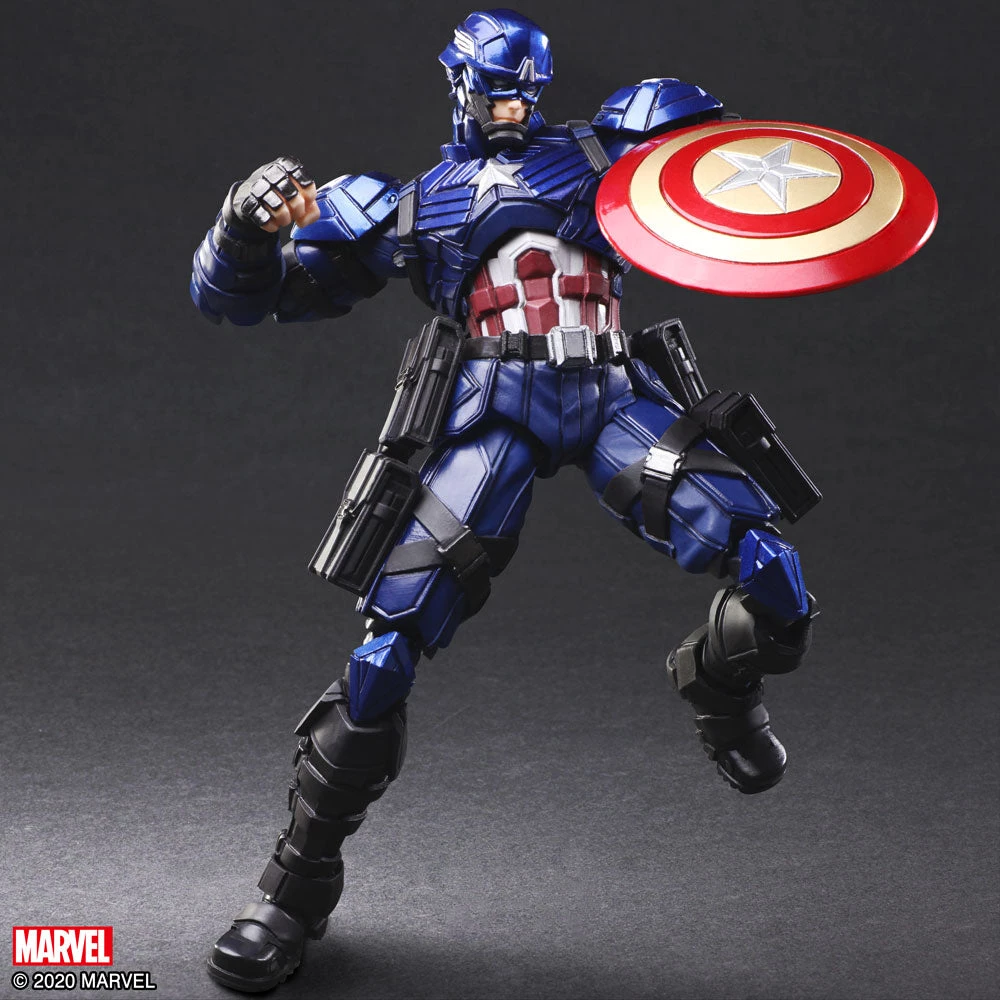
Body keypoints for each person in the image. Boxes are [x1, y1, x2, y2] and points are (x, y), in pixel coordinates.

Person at [191, 9, 816, 993]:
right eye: (495, 92)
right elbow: (242, 297)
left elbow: (741, 168)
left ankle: (718, 686)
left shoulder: (605, 150)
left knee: (771, 569)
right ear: (460, 86)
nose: (512, 109)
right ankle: (293, 890)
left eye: (525, 92)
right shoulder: (404, 205)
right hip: (493, 414)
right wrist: (242, 225)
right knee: (386, 650)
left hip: (614, 400)